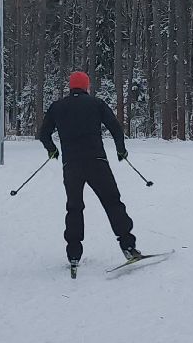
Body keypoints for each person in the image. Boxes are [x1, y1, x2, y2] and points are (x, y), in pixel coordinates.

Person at [38, 71, 140, 270]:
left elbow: (44, 134)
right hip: (97, 162)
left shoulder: (57, 107)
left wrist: (52, 150)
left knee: (74, 207)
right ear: (86, 86)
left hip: (71, 165)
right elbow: (116, 128)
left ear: (71, 87)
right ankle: (128, 247)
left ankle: (74, 255)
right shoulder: (96, 104)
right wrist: (121, 149)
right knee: (112, 203)